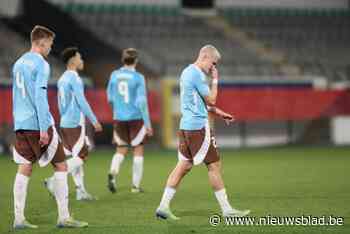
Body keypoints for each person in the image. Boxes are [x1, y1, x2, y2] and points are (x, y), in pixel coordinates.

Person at [155, 45, 250, 220]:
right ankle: (227, 210)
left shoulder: (186, 72)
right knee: (214, 166)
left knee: (183, 166)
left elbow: (197, 101)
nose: (213, 68)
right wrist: (215, 79)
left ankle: (163, 206)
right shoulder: (198, 75)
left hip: (185, 127)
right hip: (198, 127)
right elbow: (211, 99)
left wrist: (219, 112)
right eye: (213, 63)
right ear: (204, 56)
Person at [11, 25, 88, 229]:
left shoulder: (18, 63)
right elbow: (39, 96)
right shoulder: (41, 64)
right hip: (38, 123)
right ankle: (64, 217)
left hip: (21, 124)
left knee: (25, 167)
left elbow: (17, 97)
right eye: (50, 44)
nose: (50, 48)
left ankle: (18, 219)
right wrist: (44, 128)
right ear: (42, 42)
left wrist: (18, 122)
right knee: (61, 165)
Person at [44, 47, 102, 201]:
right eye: (80, 57)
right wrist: (94, 120)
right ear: (73, 60)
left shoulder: (62, 78)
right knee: (82, 155)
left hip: (65, 122)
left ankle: (80, 191)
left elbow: (59, 103)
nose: (82, 60)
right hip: (75, 122)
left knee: (77, 156)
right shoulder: (75, 78)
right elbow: (81, 101)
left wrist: (64, 116)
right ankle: (53, 181)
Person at [106, 48, 153, 193]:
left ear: (123, 60)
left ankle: (113, 173)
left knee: (120, 149)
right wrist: (148, 124)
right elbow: (142, 102)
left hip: (119, 118)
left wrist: (119, 109)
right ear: (136, 60)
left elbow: (110, 98)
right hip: (136, 118)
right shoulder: (138, 77)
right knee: (138, 150)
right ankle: (135, 186)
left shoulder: (114, 75)